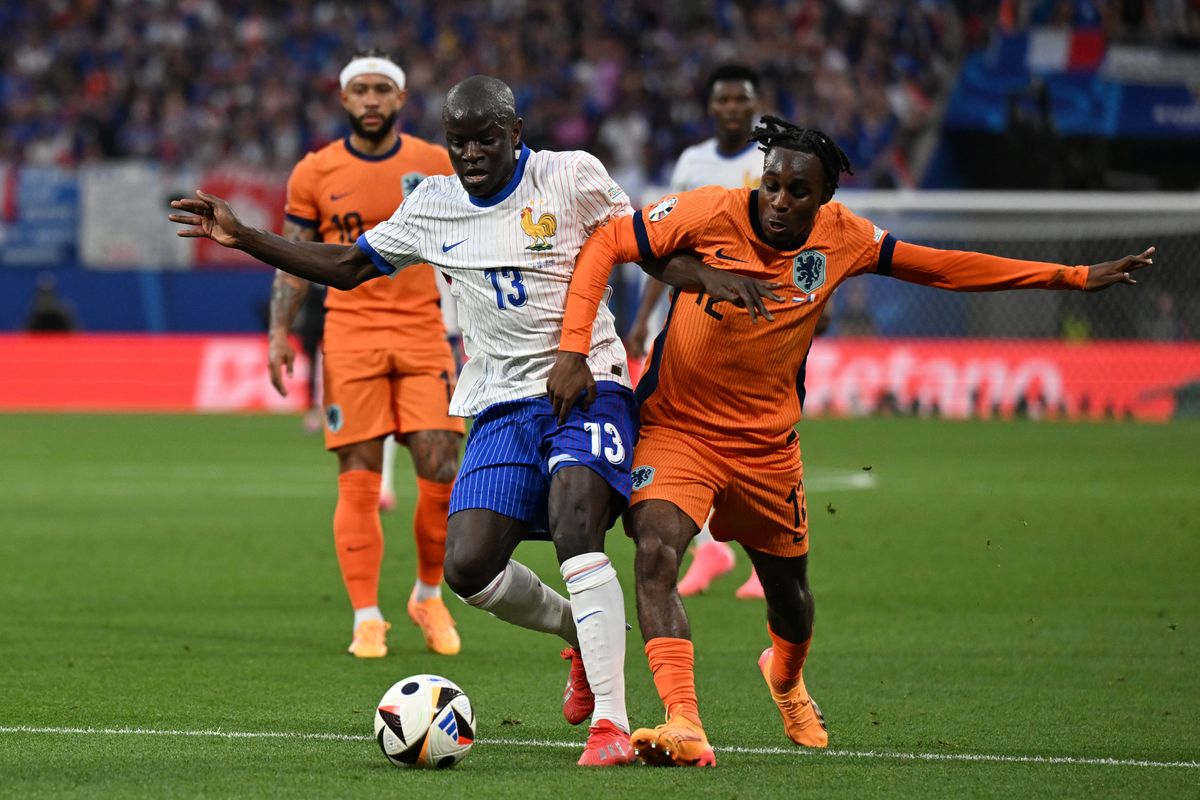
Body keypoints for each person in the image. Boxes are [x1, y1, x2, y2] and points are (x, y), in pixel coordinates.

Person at [171, 75, 766, 767]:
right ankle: (580, 631)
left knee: (578, 526)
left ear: (516, 133)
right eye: (460, 142)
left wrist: (706, 276)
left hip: (589, 384)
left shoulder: (570, 176)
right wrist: (245, 236)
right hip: (500, 403)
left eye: (487, 138)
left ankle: (611, 724)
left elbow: (642, 244)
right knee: (469, 566)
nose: (473, 153)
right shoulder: (434, 206)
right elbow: (343, 264)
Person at [548, 115, 1155, 767]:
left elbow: (945, 268)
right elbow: (612, 241)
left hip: (766, 448)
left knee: (791, 601)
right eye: (772, 184)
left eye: (798, 191)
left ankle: (783, 680)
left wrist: (1071, 277)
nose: (780, 200)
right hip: (679, 427)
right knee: (655, 553)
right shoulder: (711, 211)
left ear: (825, 198)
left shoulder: (846, 239)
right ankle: (684, 721)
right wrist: (575, 348)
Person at [265, 52, 464, 660]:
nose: (372, 99)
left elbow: (466, 243)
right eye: (361, 90)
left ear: (400, 99)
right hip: (348, 336)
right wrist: (280, 332)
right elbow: (295, 258)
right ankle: (367, 616)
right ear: (344, 100)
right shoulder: (315, 171)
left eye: (382, 89)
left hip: (422, 330)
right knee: (359, 479)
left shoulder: (434, 164)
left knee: (441, 469)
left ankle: (428, 596)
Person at [625, 64, 770, 601]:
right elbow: (667, 248)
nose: (732, 108)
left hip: (760, 324)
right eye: (723, 100)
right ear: (711, 108)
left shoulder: (769, 161)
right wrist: (642, 322)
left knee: (758, 441)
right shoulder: (693, 164)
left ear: (753, 104)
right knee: (682, 436)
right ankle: (711, 545)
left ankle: (763, 554)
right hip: (692, 324)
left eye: (741, 99)